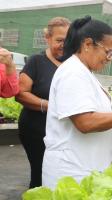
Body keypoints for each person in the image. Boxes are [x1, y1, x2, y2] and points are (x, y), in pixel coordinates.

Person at [41, 16, 112, 189]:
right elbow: (85, 122)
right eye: (108, 52)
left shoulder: (85, 72)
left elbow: (90, 110)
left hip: (86, 169)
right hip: (72, 173)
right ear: (87, 44)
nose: (109, 58)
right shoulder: (73, 73)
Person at [15, 17, 70, 188]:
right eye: (59, 40)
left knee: (60, 175)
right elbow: (21, 94)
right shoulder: (36, 62)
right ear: (47, 38)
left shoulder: (71, 63)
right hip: (36, 129)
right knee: (41, 172)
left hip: (62, 130)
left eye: (68, 41)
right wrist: (50, 106)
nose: (64, 45)